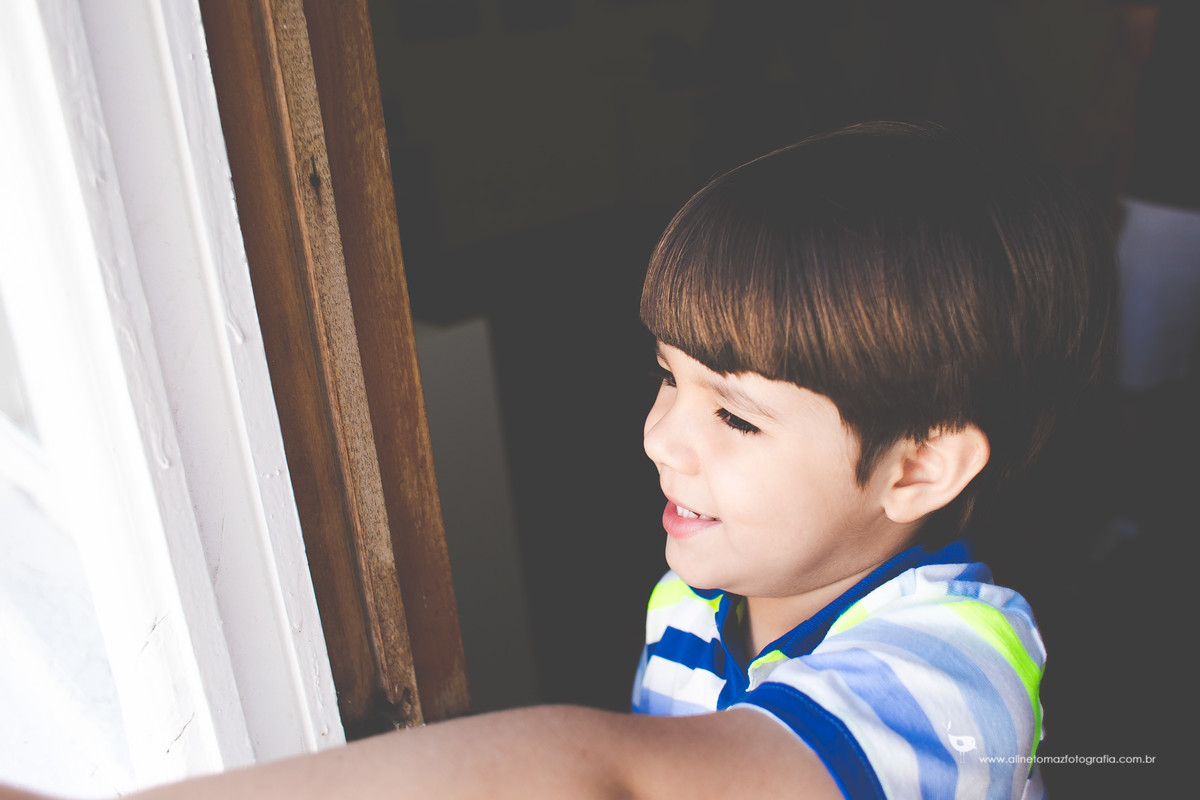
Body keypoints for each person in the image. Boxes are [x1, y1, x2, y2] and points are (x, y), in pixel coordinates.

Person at [1, 121, 1114, 799]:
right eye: (668, 377)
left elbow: (613, 775)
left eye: (734, 416)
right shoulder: (697, 598)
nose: (658, 434)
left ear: (917, 469)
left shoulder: (959, 668)